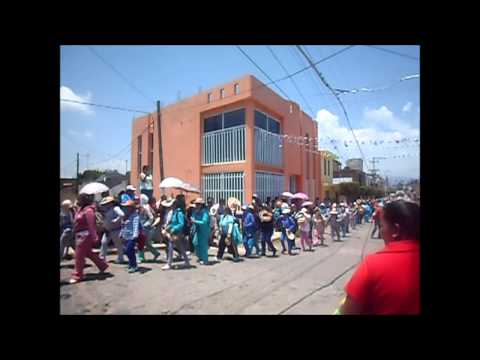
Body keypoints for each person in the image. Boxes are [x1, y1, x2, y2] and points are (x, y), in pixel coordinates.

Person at [338, 201, 420, 315]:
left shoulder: (373, 265)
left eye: (382, 226)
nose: (381, 232)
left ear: (396, 230)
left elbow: (347, 311)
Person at [69, 193, 109, 284]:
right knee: (88, 253)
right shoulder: (80, 209)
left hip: (85, 235)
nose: (77, 201)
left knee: (79, 255)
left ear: (83, 200)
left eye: (79, 199)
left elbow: (91, 225)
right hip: (79, 234)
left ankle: (77, 275)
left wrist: (94, 236)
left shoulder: (89, 211)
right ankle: (102, 265)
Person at [162, 197, 190, 270]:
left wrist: (173, 228)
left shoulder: (179, 213)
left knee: (171, 246)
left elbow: (181, 224)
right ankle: (186, 261)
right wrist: (169, 227)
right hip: (174, 232)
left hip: (177, 232)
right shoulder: (174, 212)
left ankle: (169, 263)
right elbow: (174, 223)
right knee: (179, 246)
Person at [99, 196, 126, 264]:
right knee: (103, 243)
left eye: (107, 203)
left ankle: (121, 258)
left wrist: (116, 220)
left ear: (112, 203)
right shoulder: (105, 210)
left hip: (116, 230)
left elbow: (122, 214)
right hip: (108, 230)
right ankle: (102, 259)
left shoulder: (115, 208)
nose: (106, 204)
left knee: (118, 245)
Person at [137, 194, 161, 263]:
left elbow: (151, 218)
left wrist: (145, 225)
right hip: (148, 227)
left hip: (146, 228)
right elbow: (151, 218)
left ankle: (141, 257)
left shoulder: (147, 208)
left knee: (142, 242)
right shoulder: (148, 208)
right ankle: (155, 253)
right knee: (145, 243)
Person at [119, 200, 141, 273]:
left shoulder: (135, 216)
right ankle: (131, 263)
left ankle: (134, 266)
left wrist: (135, 235)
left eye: (127, 207)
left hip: (132, 236)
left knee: (129, 250)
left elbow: (135, 226)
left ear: (131, 208)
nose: (125, 208)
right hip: (125, 236)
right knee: (127, 251)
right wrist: (121, 233)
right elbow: (123, 226)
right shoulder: (125, 216)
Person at [191, 197, 211, 265]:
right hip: (198, 230)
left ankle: (205, 260)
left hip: (204, 230)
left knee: (203, 245)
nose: (197, 205)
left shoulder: (205, 212)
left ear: (201, 205)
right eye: (196, 204)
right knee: (195, 242)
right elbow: (193, 217)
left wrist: (195, 221)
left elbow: (204, 222)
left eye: (198, 204)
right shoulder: (196, 211)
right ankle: (200, 257)